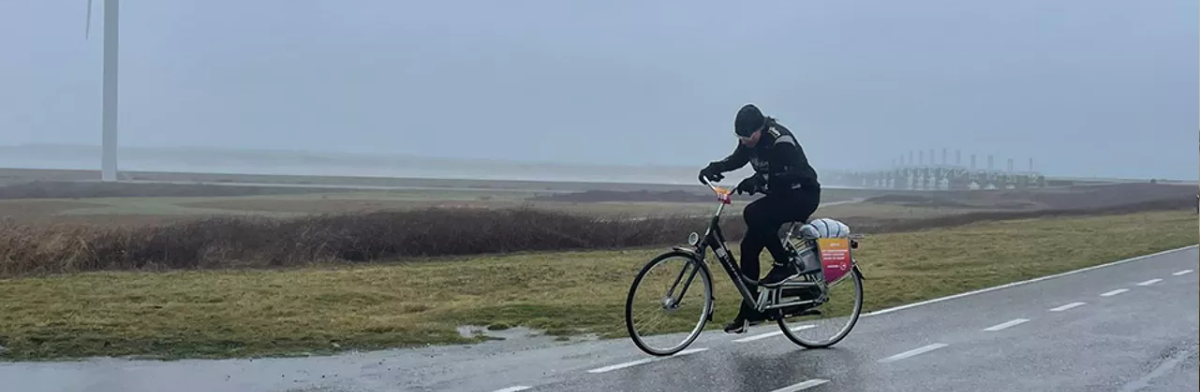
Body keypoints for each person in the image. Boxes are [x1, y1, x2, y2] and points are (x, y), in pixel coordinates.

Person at [699, 103, 822, 334]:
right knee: (748, 248)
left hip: (802, 195)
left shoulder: (780, 140)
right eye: (740, 137)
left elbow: (794, 174)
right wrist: (715, 167)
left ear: (760, 129)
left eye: (748, 137)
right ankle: (750, 311)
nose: (744, 141)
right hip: (782, 196)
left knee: (753, 213)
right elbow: (738, 159)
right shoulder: (748, 139)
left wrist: (759, 181)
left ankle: (784, 264)